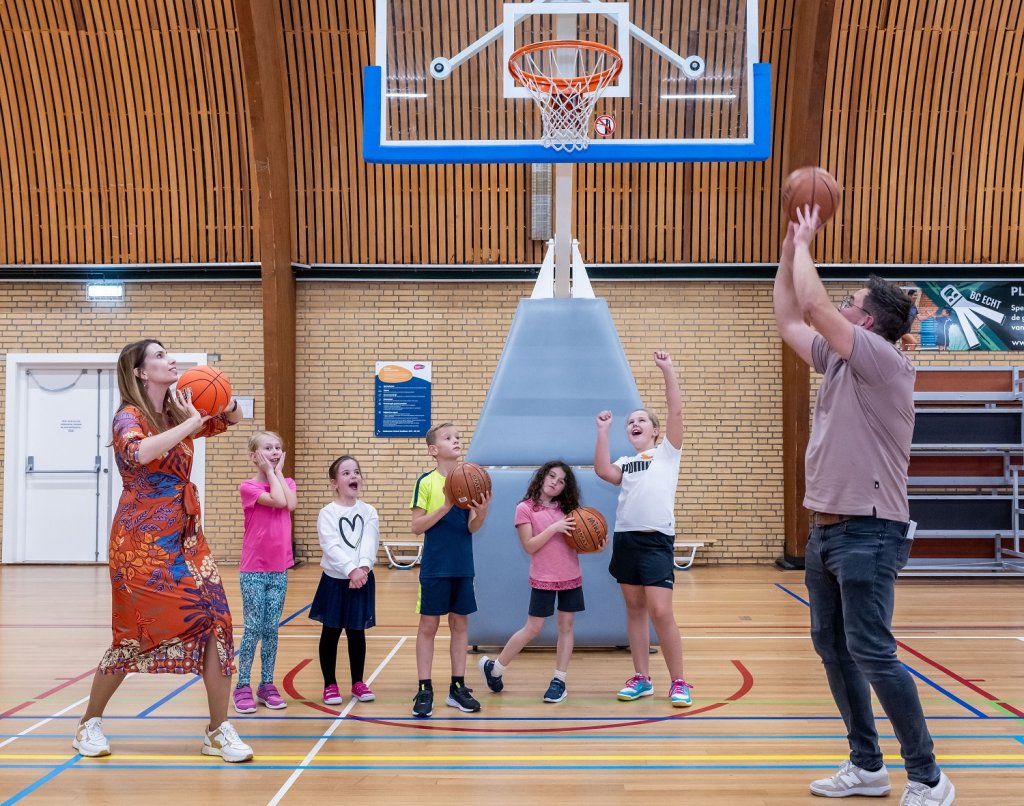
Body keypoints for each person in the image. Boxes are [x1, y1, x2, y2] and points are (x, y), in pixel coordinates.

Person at [773, 204, 954, 805]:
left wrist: (806, 246)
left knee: (873, 653)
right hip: (827, 531)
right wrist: (787, 252)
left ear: (868, 320)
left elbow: (816, 308)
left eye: (852, 304)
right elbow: (790, 319)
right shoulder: (840, 362)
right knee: (834, 648)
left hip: (869, 534)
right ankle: (867, 766)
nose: (840, 309)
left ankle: (929, 777)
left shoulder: (883, 360)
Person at [73, 340, 252, 762]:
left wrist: (218, 394)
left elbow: (233, 417)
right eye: (159, 356)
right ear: (139, 372)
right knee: (133, 635)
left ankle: (217, 729)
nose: (170, 360)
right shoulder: (128, 416)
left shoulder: (177, 410)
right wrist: (190, 422)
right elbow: (139, 453)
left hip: (187, 537)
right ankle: (88, 723)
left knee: (217, 621)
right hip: (140, 543)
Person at [594, 351, 692, 708]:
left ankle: (679, 681)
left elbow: (676, 411)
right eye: (629, 422)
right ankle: (642, 678)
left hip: (656, 540)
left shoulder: (667, 453)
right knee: (634, 610)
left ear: (654, 430)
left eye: (641, 421)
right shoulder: (626, 462)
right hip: (626, 539)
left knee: (661, 612)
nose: (634, 424)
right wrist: (603, 431)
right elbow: (604, 471)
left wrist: (668, 370)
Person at [479, 461, 604, 703]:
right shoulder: (524, 509)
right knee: (533, 629)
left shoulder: (570, 510)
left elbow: (576, 547)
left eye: (561, 481)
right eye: (552, 476)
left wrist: (595, 548)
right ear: (542, 476)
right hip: (544, 577)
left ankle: (559, 680)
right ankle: (495, 669)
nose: (555, 483)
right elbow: (529, 546)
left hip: (570, 576)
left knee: (566, 627)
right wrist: (554, 528)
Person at [410, 422, 490, 718]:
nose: (456, 440)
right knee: (428, 627)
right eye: (448, 438)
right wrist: (445, 504)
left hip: (462, 565)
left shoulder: (471, 479)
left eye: (458, 436)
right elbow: (417, 527)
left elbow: (472, 528)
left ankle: (457, 687)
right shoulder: (427, 482)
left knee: (460, 626)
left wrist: (481, 512)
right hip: (435, 567)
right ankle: (424, 688)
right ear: (434, 450)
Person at [232, 431, 297, 715]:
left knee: (271, 629)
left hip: (278, 569)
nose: (273, 451)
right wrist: (272, 472)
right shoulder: (248, 486)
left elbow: (290, 503)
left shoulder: (287, 482)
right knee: (253, 627)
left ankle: (266, 684)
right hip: (254, 570)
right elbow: (278, 501)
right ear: (253, 456)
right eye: (267, 448)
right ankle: (243, 685)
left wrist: (277, 473)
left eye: (278, 447)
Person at [309, 455, 380, 706]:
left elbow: (370, 542)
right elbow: (330, 545)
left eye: (357, 472)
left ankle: (358, 682)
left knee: (356, 632)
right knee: (330, 632)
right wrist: (350, 570)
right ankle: (330, 684)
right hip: (335, 580)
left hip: (361, 579)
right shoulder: (327, 513)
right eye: (347, 473)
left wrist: (362, 568)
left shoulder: (369, 511)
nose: (353, 477)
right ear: (334, 482)